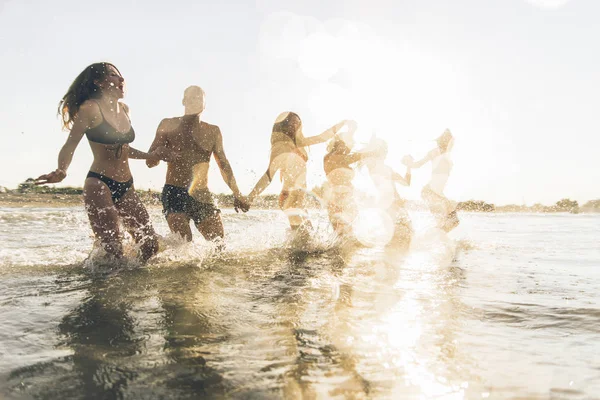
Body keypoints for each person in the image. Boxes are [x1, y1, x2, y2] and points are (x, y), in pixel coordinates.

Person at [35, 62, 169, 262]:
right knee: (113, 249)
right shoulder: (90, 108)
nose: (121, 79)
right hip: (99, 183)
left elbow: (123, 150)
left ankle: (135, 286)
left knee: (149, 245)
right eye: (113, 75)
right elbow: (70, 144)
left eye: (121, 75)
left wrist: (152, 155)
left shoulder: (124, 109)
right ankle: (100, 285)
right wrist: (61, 170)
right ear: (98, 82)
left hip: (127, 186)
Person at [146, 85, 248, 244]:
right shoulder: (168, 124)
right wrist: (161, 152)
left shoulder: (213, 131)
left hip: (202, 194)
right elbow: (150, 162)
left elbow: (224, 165)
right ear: (183, 101)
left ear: (205, 103)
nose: (196, 100)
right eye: (191, 97)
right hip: (174, 192)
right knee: (183, 245)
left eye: (200, 97)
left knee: (218, 245)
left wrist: (237, 193)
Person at [247, 112, 350, 232]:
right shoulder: (280, 147)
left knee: (305, 240)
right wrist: (250, 197)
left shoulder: (299, 143)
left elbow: (323, 137)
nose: (295, 126)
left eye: (297, 123)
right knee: (305, 241)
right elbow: (268, 176)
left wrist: (342, 123)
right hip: (289, 198)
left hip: (300, 199)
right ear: (283, 125)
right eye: (291, 123)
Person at [322, 125, 375, 237]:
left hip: (334, 197)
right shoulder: (339, 158)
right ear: (340, 145)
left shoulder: (327, 157)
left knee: (339, 234)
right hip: (343, 197)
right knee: (346, 234)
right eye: (346, 145)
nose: (348, 148)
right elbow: (359, 155)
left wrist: (351, 131)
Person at [402, 128, 459, 232]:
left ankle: (432, 237)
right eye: (445, 140)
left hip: (437, 194)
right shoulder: (435, 153)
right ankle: (431, 238)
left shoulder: (446, 154)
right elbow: (418, 165)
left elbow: (452, 142)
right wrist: (408, 165)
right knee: (447, 222)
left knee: (453, 221)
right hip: (431, 193)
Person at [364, 137, 413, 247]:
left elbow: (406, 183)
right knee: (403, 232)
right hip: (391, 202)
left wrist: (409, 167)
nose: (386, 154)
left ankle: (392, 258)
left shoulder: (381, 168)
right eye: (385, 151)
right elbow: (406, 183)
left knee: (401, 232)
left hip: (389, 203)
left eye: (386, 151)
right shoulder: (374, 166)